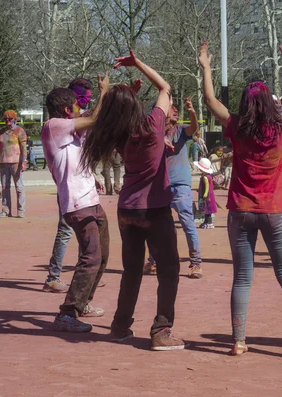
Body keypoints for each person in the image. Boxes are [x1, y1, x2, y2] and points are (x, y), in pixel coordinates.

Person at [199, 41, 282, 355]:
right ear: (269, 102)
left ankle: (238, 341)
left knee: (242, 278)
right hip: (275, 210)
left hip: (240, 210)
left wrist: (206, 67)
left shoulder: (236, 127)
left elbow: (210, 99)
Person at [81, 50, 184, 351]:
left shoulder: (116, 133)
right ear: (136, 107)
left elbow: (116, 115)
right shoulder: (154, 125)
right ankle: (161, 331)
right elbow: (165, 88)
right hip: (154, 209)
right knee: (168, 271)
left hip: (127, 209)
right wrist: (137, 62)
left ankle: (120, 325)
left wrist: (128, 99)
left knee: (132, 271)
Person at [41, 74, 110, 333]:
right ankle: (67, 313)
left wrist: (93, 176)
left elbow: (91, 121)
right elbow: (94, 117)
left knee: (102, 256)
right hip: (77, 203)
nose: (81, 107)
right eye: (77, 105)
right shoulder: (54, 126)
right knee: (91, 256)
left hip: (90, 198)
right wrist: (105, 91)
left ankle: (82, 304)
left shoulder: (70, 126)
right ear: (68, 109)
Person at [144, 99, 203, 279]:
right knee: (156, 227)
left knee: (188, 224)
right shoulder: (154, 132)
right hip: (160, 186)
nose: (175, 111)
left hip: (180, 186)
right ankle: (153, 261)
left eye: (177, 109)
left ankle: (196, 263)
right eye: (171, 108)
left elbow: (193, 127)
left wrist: (192, 112)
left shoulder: (180, 131)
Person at [0, 110, 27, 218]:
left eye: (10, 119)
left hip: (16, 162)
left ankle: (21, 210)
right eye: (5, 119)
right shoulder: (1, 132)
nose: (7, 121)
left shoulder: (19, 131)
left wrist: (24, 161)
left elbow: (23, 148)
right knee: (5, 187)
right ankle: (6, 210)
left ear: (15, 119)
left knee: (19, 187)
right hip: (3, 163)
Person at [194, 157, 217, 229]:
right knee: (206, 210)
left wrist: (205, 194)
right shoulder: (208, 176)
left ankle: (209, 222)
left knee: (207, 209)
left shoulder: (205, 177)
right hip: (209, 195)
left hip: (206, 196)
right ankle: (206, 221)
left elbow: (207, 186)